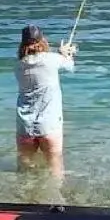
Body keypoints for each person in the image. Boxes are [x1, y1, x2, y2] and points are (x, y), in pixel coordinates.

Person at [14, 24, 77, 179]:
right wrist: (66, 54)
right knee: (55, 169)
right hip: (49, 126)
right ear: (42, 40)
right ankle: (55, 200)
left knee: (24, 169)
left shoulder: (17, 65)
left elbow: (36, 62)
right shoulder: (52, 60)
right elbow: (70, 66)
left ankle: (24, 199)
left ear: (22, 44)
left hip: (24, 126)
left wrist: (60, 55)